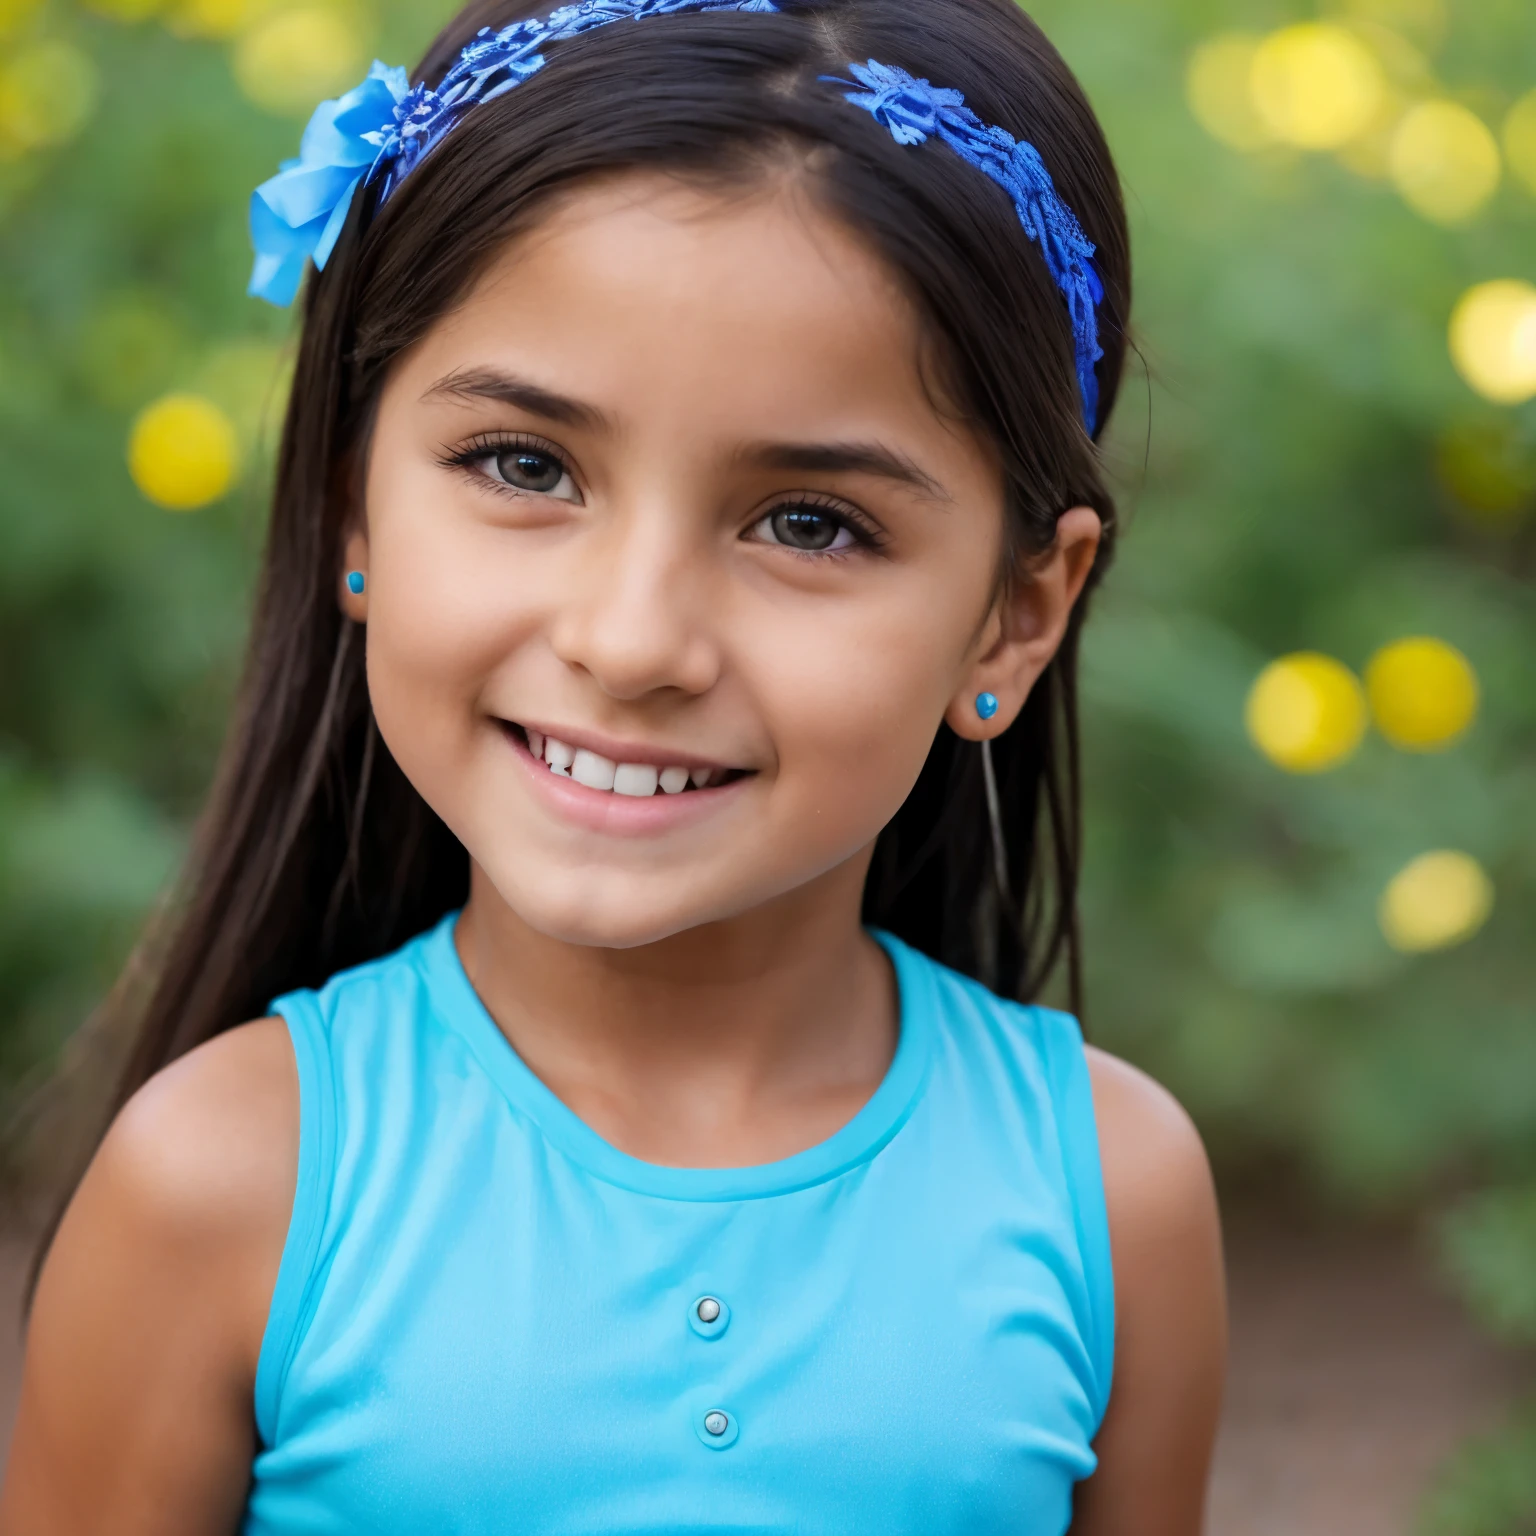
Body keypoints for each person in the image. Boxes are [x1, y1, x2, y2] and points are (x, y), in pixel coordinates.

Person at [0, 0, 1226, 1530]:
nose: (635, 639)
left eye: (811, 523)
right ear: (354, 506)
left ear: (1013, 615)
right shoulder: (219, 1188)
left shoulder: (1111, 1202)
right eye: (526, 467)